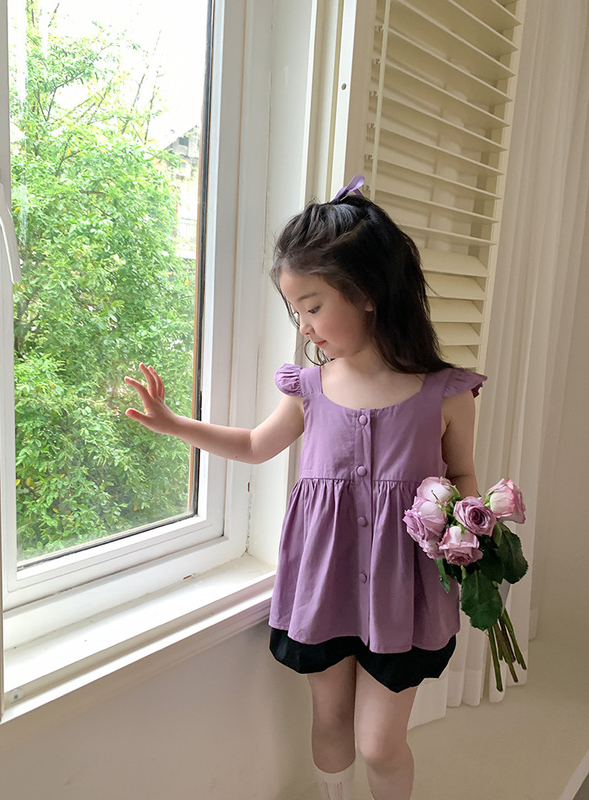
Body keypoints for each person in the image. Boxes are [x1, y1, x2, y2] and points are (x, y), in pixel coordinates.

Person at [125, 176, 486, 800]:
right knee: (329, 720)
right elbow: (253, 445)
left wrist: (472, 529)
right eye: (295, 311)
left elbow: (462, 476)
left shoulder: (446, 393)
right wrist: (173, 423)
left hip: (404, 593)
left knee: (380, 742)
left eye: (313, 307)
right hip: (326, 583)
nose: (304, 327)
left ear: (367, 293)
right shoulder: (309, 390)